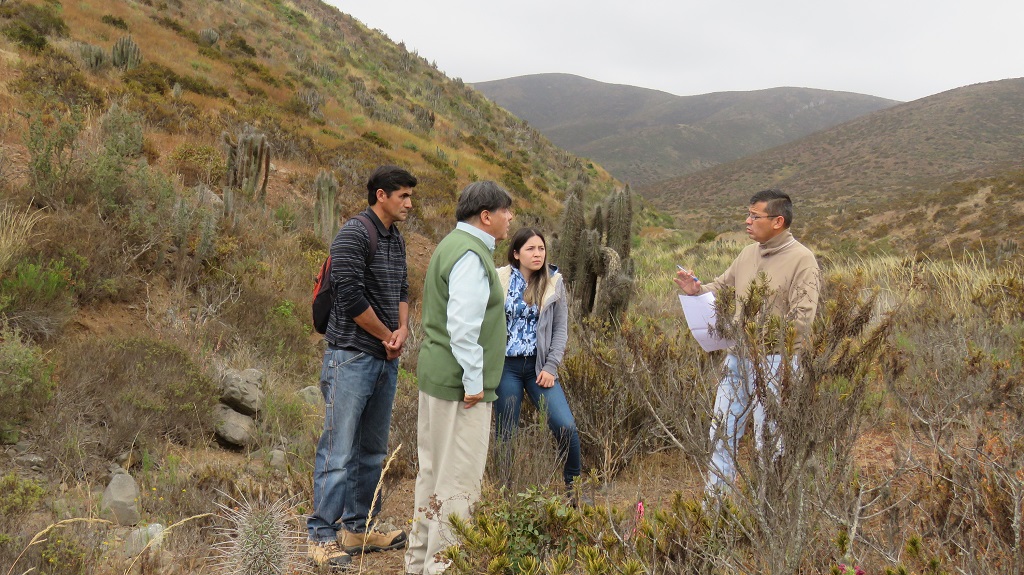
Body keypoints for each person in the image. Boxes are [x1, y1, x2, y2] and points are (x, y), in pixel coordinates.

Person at [674, 189, 819, 495]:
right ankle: (716, 508)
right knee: (721, 433)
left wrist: (758, 340)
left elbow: (802, 319)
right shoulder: (748, 253)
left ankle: (769, 506)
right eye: (748, 214)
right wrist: (697, 290)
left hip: (776, 362)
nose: (747, 221)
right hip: (737, 359)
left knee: (770, 440)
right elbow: (721, 287)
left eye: (755, 216)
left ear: (778, 221)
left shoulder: (803, 260)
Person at [307, 165, 416, 571]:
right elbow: (349, 297)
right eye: (403, 195)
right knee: (338, 449)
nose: (409, 203)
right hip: (350, 356)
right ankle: (320, 536)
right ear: (381, 195)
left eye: (410, 195)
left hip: (385, 359)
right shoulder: (354, 233)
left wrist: (402, 331)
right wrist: (388, 335)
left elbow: (403, 288)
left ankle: (358, 527)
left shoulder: (395, 238)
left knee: (371, 451)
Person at [405, 181, 514, 575]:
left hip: (438, 378)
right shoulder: (471, 255)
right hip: (459, 388)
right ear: (486, 216)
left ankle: (418, 563)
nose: (510, 218)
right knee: (459, 484)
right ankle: (443, 568)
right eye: (505, 211)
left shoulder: (451, 245)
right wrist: (474, 383)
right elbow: (463, 328)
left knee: (433, 474)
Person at [493, 227, 582, 494]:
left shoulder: (554, 281)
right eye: (530, 249)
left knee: (566, 426)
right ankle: (505, 492)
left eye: (541, 248)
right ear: (516, 253)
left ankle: (574, 487)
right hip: (506, 367)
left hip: (538, 367)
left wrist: (551, 367)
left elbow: (560, 329)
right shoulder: (500, 278)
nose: (537, 254)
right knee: (506, 433)